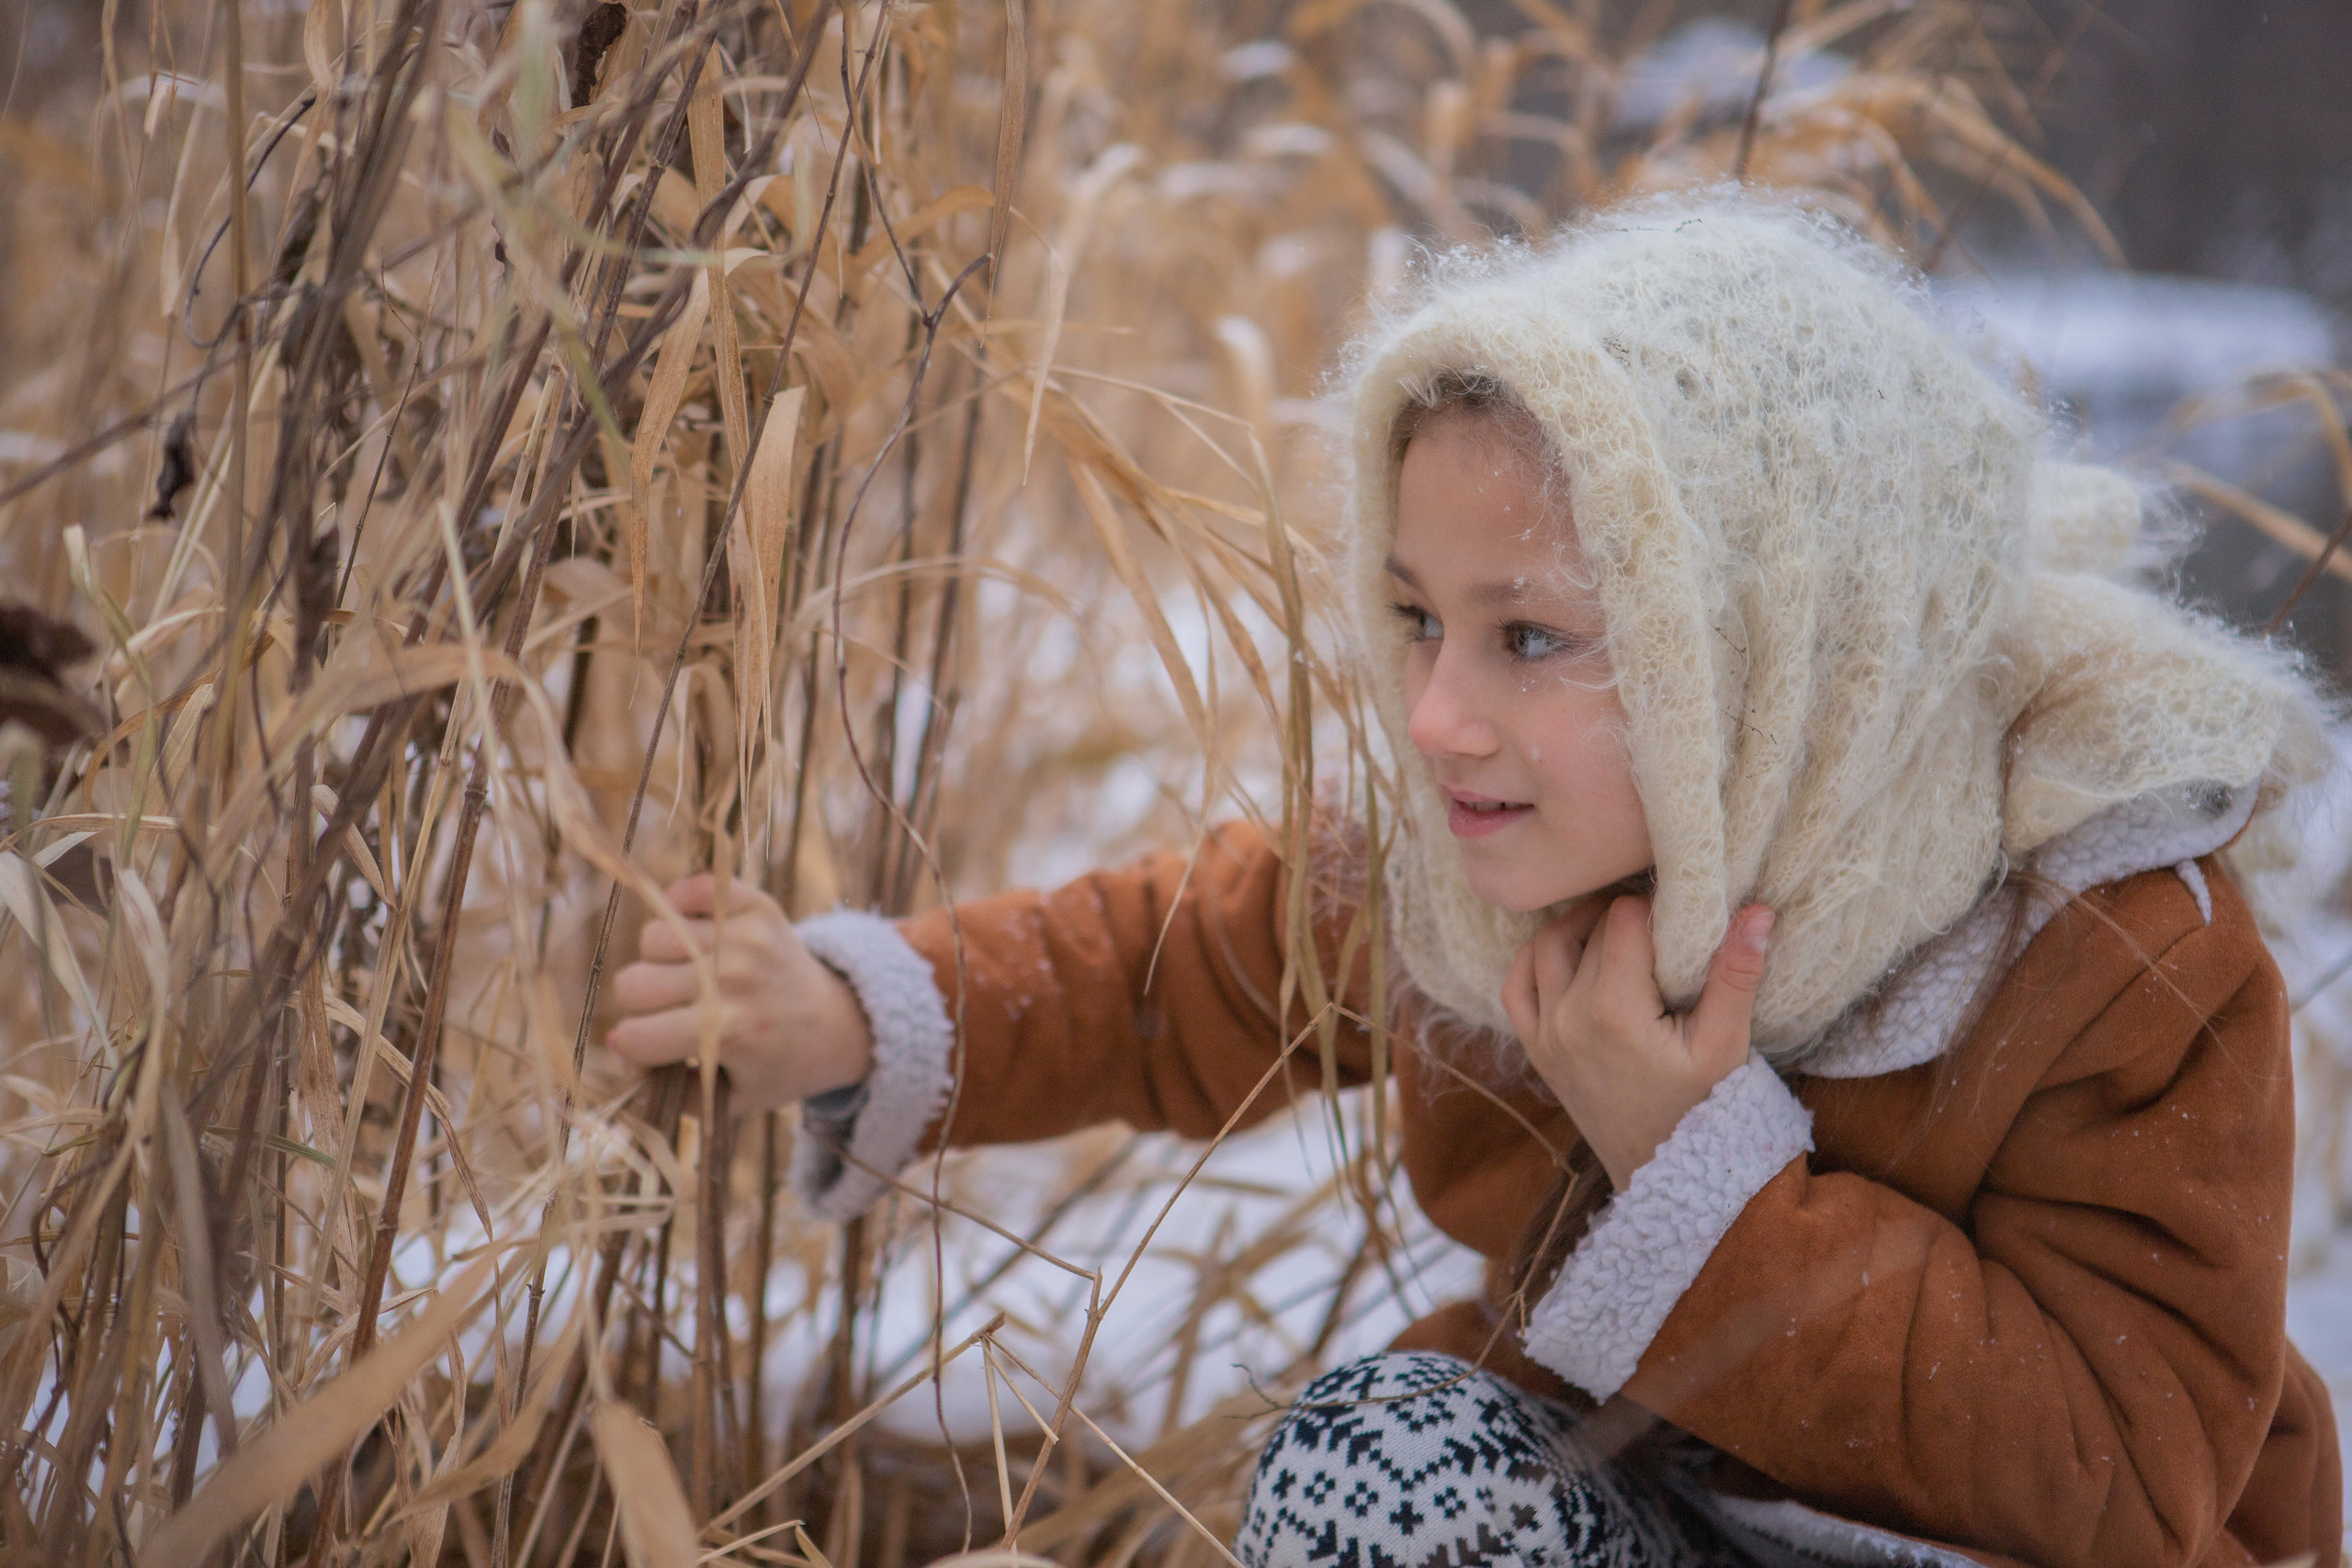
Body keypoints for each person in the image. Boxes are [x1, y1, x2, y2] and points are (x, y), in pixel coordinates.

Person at [605, 196, 2346, 1567]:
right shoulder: (1499, 856)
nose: (1439, 713)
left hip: (1986, 1554)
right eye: (1422, 618)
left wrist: (1701, 1177)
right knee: (1390, 1467)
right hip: (1647, 1512)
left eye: (1532, 637)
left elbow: (2126, 1473)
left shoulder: (2108, 949)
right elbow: (1188, 966)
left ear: (1772, 656)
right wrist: (850, 1012)